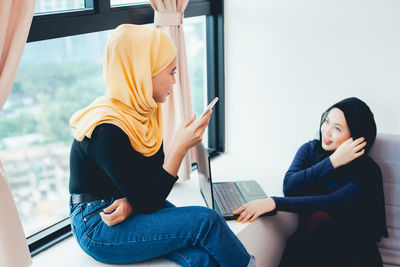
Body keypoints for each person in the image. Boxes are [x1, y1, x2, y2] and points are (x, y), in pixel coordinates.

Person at [68, 24, 255, 267]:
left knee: (200, 257)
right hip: (97, 224)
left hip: (124, 200)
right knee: (206, 221)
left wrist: (130, 202)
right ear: (145, 73)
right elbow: (147, 200)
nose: (175, 81)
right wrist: (178, 148)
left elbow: (146, 185)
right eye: (171, 72)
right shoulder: (106, 130)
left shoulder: (142, 112)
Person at [234, 97, 388, 267]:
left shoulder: (366, 172)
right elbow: (290, 187)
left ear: (356, 138)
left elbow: (329, 203)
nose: (326, 132)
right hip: (313, 246)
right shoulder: (310, 150)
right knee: (315, 225)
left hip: (352, 251)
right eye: (327, 121)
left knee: (319, 218)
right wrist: (331, 163)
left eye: (337, 128)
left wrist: (273, 203)